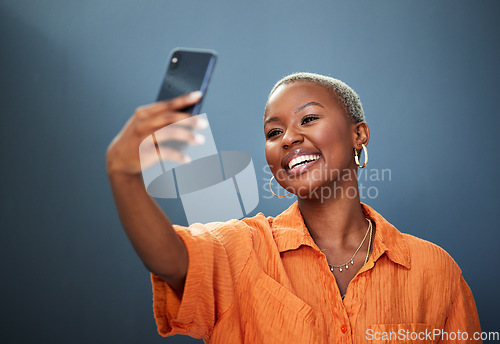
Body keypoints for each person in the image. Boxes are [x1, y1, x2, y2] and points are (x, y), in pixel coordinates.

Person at [106, 72, 482, 343]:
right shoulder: (241, 249)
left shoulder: (435, 271)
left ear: (359, 135)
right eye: (274, 132)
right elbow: (170, 260)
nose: (289, 138)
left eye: (309, 118)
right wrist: (124, 176)